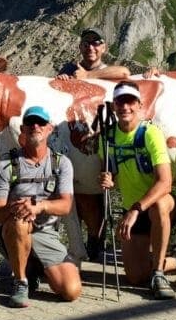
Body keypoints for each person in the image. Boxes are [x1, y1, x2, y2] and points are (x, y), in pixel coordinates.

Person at [0, 106, 82, 308]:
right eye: (30, 123)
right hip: (14, 229)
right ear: (22, 129)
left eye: (41, 123)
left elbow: (66, 206)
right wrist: (15, 208)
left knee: (71, 291)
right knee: (20, 221)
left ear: (50, 129)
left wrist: (39, 207)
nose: (35, 127)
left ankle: (32, 269)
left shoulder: (62, 163)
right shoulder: (6, 166)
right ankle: (20, 282)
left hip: (47, 233)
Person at [99, 81, 176, 299]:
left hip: (158, 204)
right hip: (132, 209)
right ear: (113, 106)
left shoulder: (150, 133)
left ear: (139, 104)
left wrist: (135, 210)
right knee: (135, 277)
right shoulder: (107, 138)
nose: (125, 107)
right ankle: (175, 262)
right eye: (120, 102)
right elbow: (111, 173)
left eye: (130, 101)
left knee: (158, 206)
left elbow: (165, 182)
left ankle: (159, 273)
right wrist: (108, 179)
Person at [55, 27, 130, 261]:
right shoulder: (69, 69)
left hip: (101, 137)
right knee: (78, 195)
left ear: (103, 47)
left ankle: (96, 244)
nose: (91, 48)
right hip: (75, 137)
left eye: (96, 43)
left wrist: (88, 77)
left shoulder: (108, 70)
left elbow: (124, 72)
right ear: (80, 47)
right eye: (86, 43)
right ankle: (86, 246)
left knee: (94, 196)